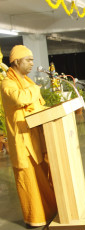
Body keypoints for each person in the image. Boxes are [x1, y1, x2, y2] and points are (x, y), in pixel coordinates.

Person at [0, 45, 57, 227]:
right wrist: (37, 90)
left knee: (42, 177)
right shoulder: (7, 83)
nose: (32, 63)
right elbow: (19, 99)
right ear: (17, 62)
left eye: (32, 59)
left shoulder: (29, 83)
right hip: (22, 142)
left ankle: (48, 211)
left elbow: (37, 106)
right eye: (28, 60)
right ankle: (35, 218)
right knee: (28, 181)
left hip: (36, 140)